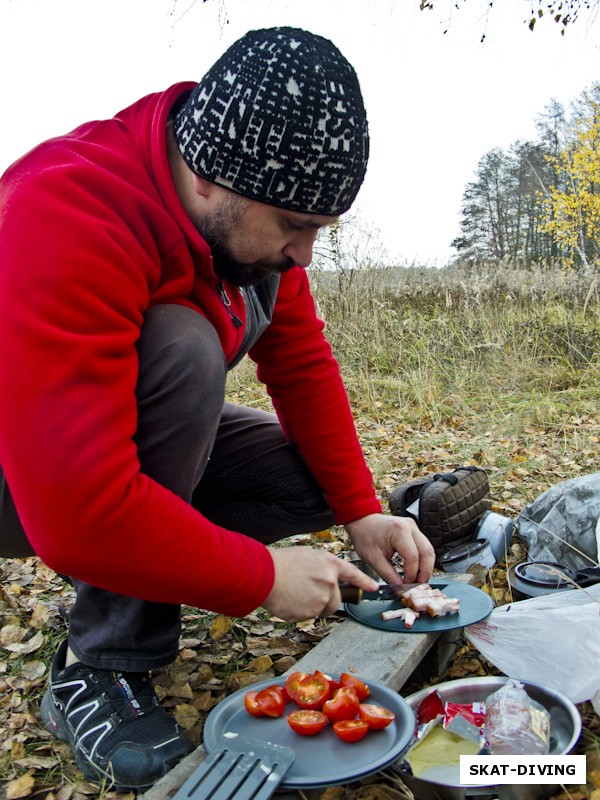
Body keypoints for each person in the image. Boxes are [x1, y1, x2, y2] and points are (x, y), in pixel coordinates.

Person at [0, 27, 435, 790]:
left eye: (320, 231)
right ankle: (98, 668)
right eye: (296, 228)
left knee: (313, 483)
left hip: (110, 458)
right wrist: (256, 574)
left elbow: (301, 365)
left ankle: (153, 541)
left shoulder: (245, 224)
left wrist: (362, 511)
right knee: (182, 348)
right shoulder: (64, 210)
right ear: (208, 178)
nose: (303, 256)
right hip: (27, 481)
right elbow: (75, 511)